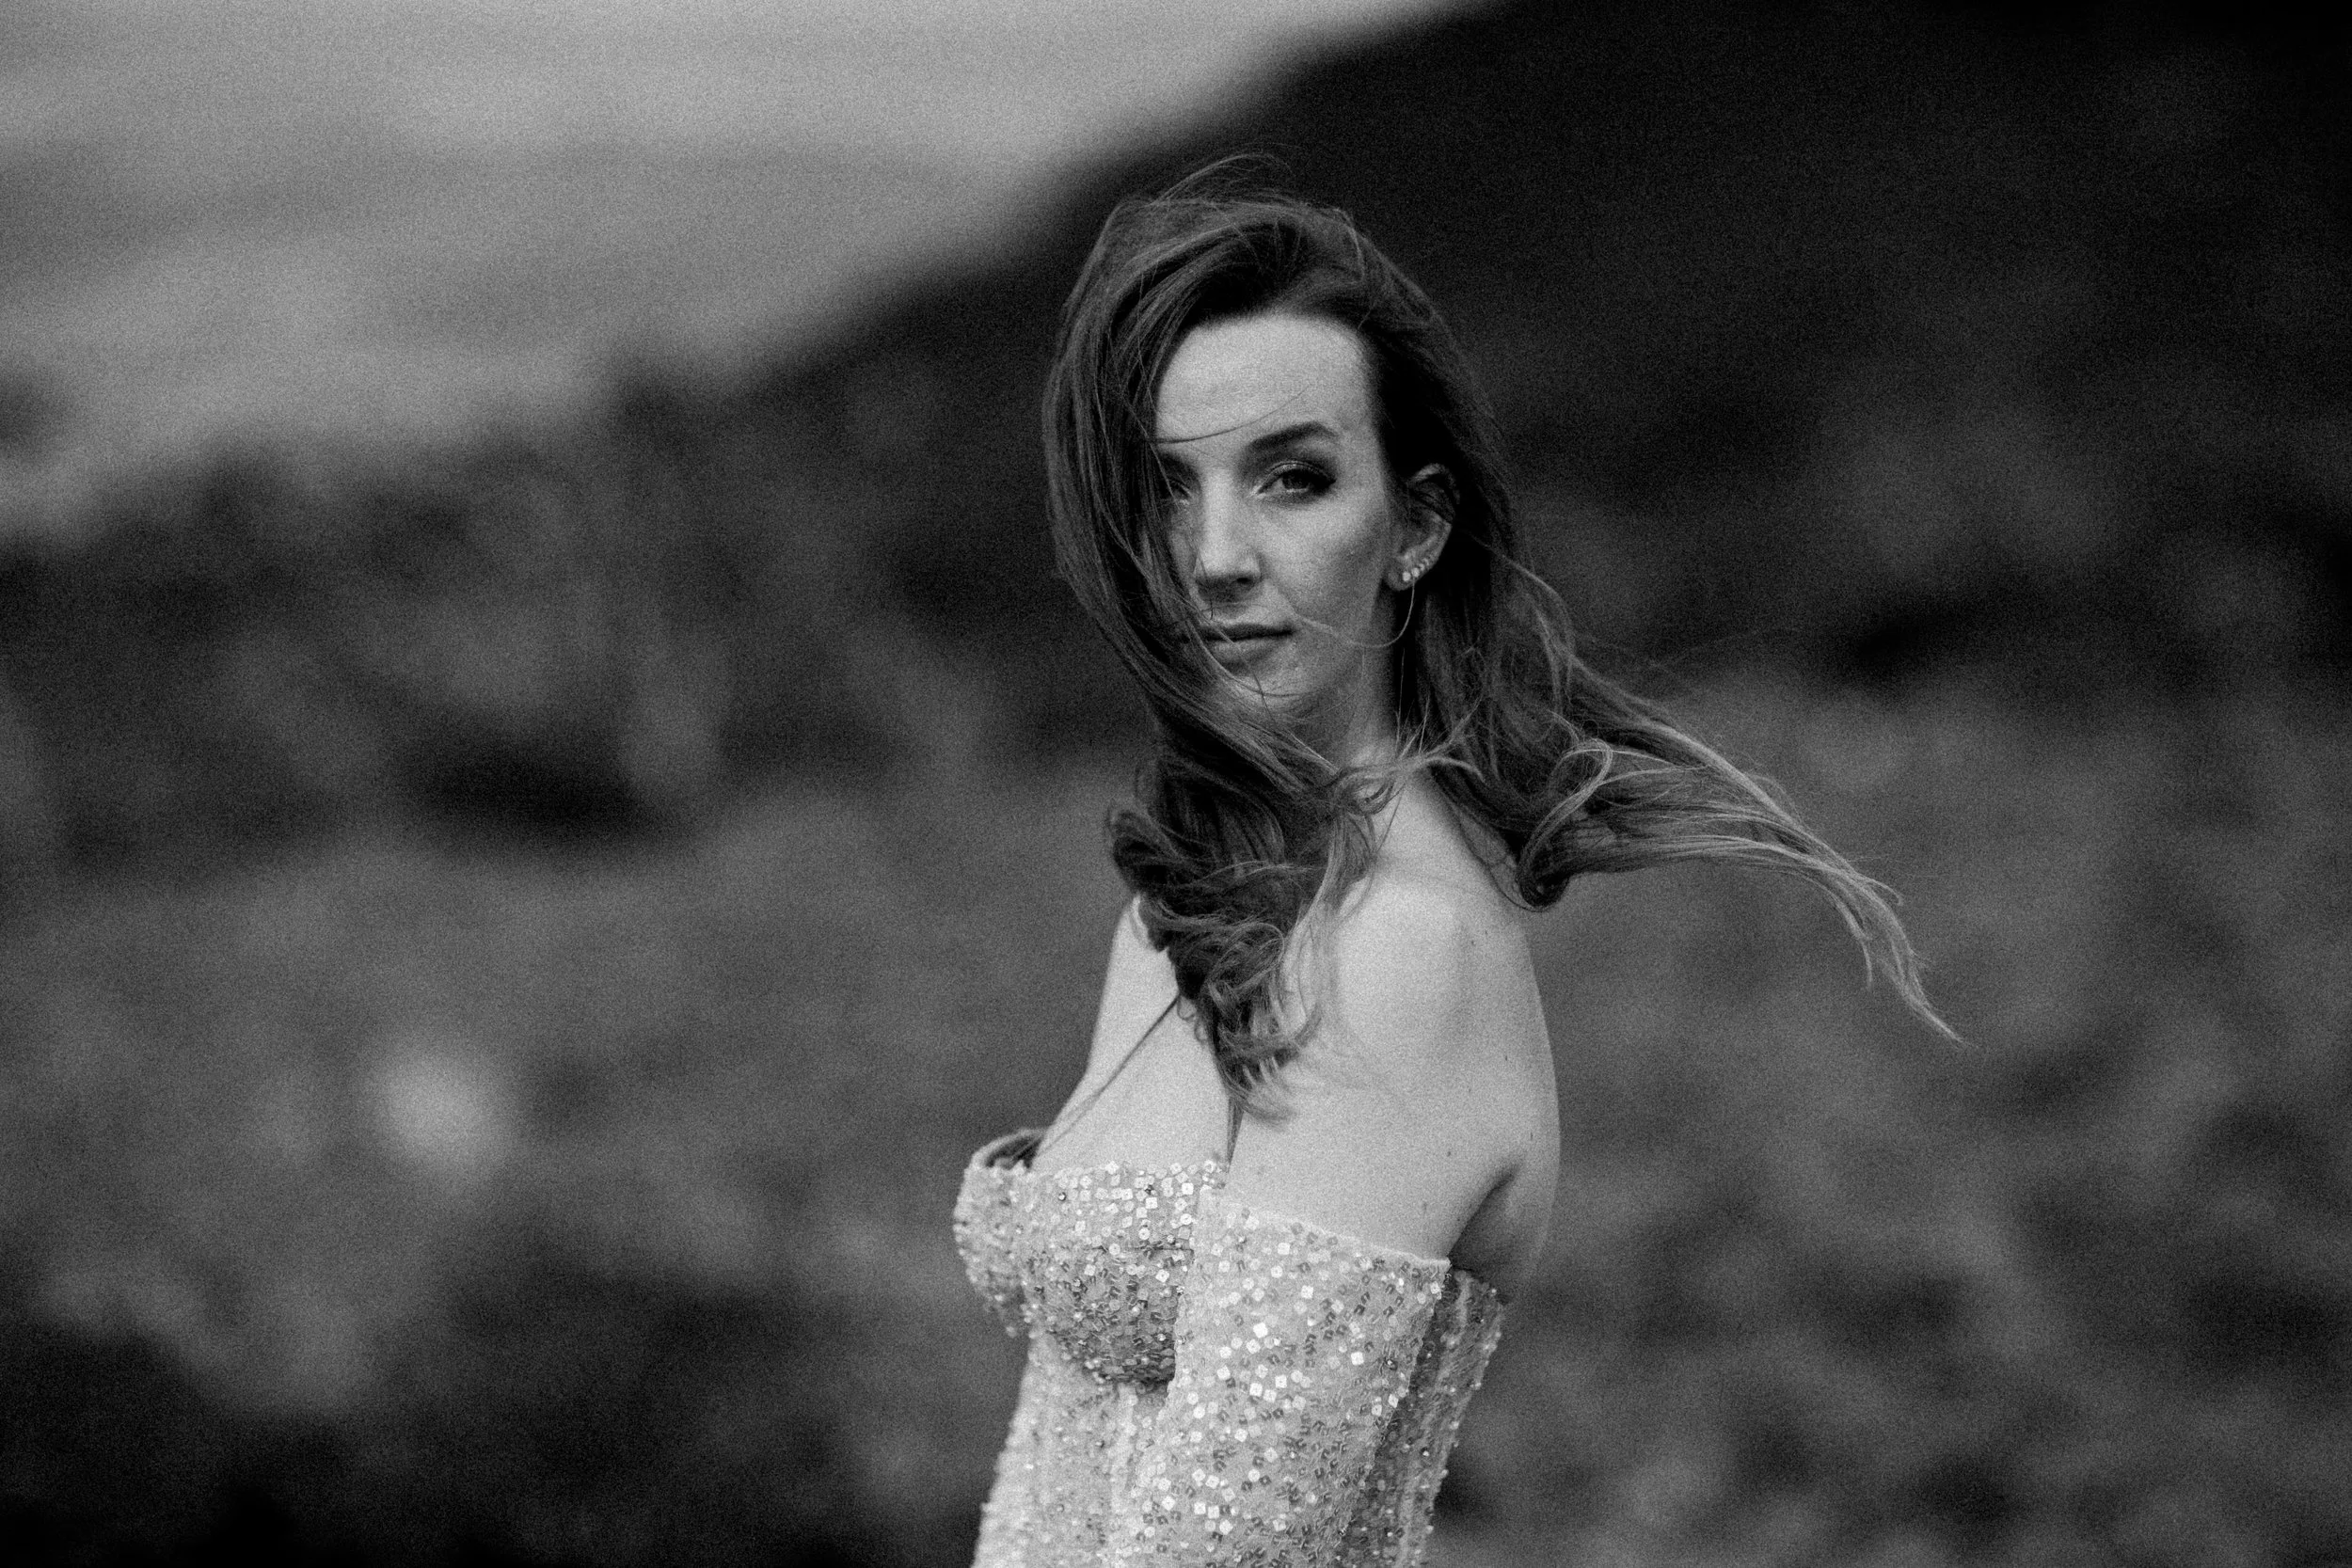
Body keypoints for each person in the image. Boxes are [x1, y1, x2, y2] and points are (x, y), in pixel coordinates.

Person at [951, 171, 1948, 1566]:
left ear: (1416, 527)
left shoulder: (1396, 957)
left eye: (1292, 478)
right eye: (1168, 490)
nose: (1216, 557)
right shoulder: (1197, 900)